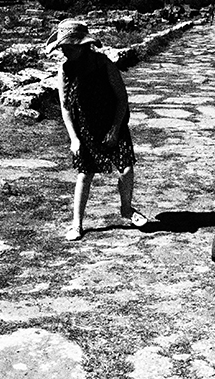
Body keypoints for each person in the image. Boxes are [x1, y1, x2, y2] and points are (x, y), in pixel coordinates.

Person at [46, 19, 148, 241]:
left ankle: (127, 209)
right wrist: (74, 138)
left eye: (68, 47)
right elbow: (65, 108)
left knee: (126, 169)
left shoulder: (104, 64)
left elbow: (122, 100)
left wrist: (114, 129)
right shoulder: (64, 69)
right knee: (85, 174)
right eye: (62, 47)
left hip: (113, 122)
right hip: (85, 127)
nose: (64, 51)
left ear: (82, 46)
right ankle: (77, 224)